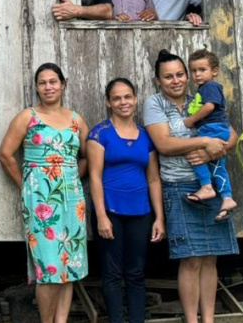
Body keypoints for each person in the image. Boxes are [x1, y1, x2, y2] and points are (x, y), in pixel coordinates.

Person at [142, 50, 239, 323]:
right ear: (158, 80)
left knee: (210, 258)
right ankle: (191, 320)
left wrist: (214, 151)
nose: (176, 81)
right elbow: (164, 144)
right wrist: (204, 143)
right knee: (192, 258)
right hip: (180, 188)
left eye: (180, 74)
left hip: (211, 187)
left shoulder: (202, 97)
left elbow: (230, 134)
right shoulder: (155, 104)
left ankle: (208, 319)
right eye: (168, 77)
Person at [0, 63, 88, 323]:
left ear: (63, 84)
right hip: (40, 201)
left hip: (72, 200)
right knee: (49, 267)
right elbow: (5, 155)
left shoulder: (76, 119)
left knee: (69, 264)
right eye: (42, 82)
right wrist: (26, 185)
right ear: (37, 88)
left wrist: (71, 177)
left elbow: (87, 156)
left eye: (53, 81)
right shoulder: (28, 117)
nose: (48, 87)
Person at [87, 78, 165, 323]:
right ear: (109, 103)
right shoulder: (100, 134)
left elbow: (154, 179)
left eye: (127, 96)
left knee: (136, 273)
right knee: (112, 273)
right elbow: (94, 176)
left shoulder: (146, 136)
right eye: (117, 98)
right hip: (110, 211)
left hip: (141, 212)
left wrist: (159, 218)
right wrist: (101, 215)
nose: (123, 102)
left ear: (135, 99)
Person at [184, 49, 237, 221]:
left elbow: (209, 107)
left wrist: (191, 120)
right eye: (194, 71)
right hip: (218, 128)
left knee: (194, 153)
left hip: (212, 128)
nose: (197, 74)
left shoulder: (209, 87)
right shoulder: (206, 88)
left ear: (214, 71)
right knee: (218, 166)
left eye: (202, 70)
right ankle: (227, 198)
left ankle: (206, 187)